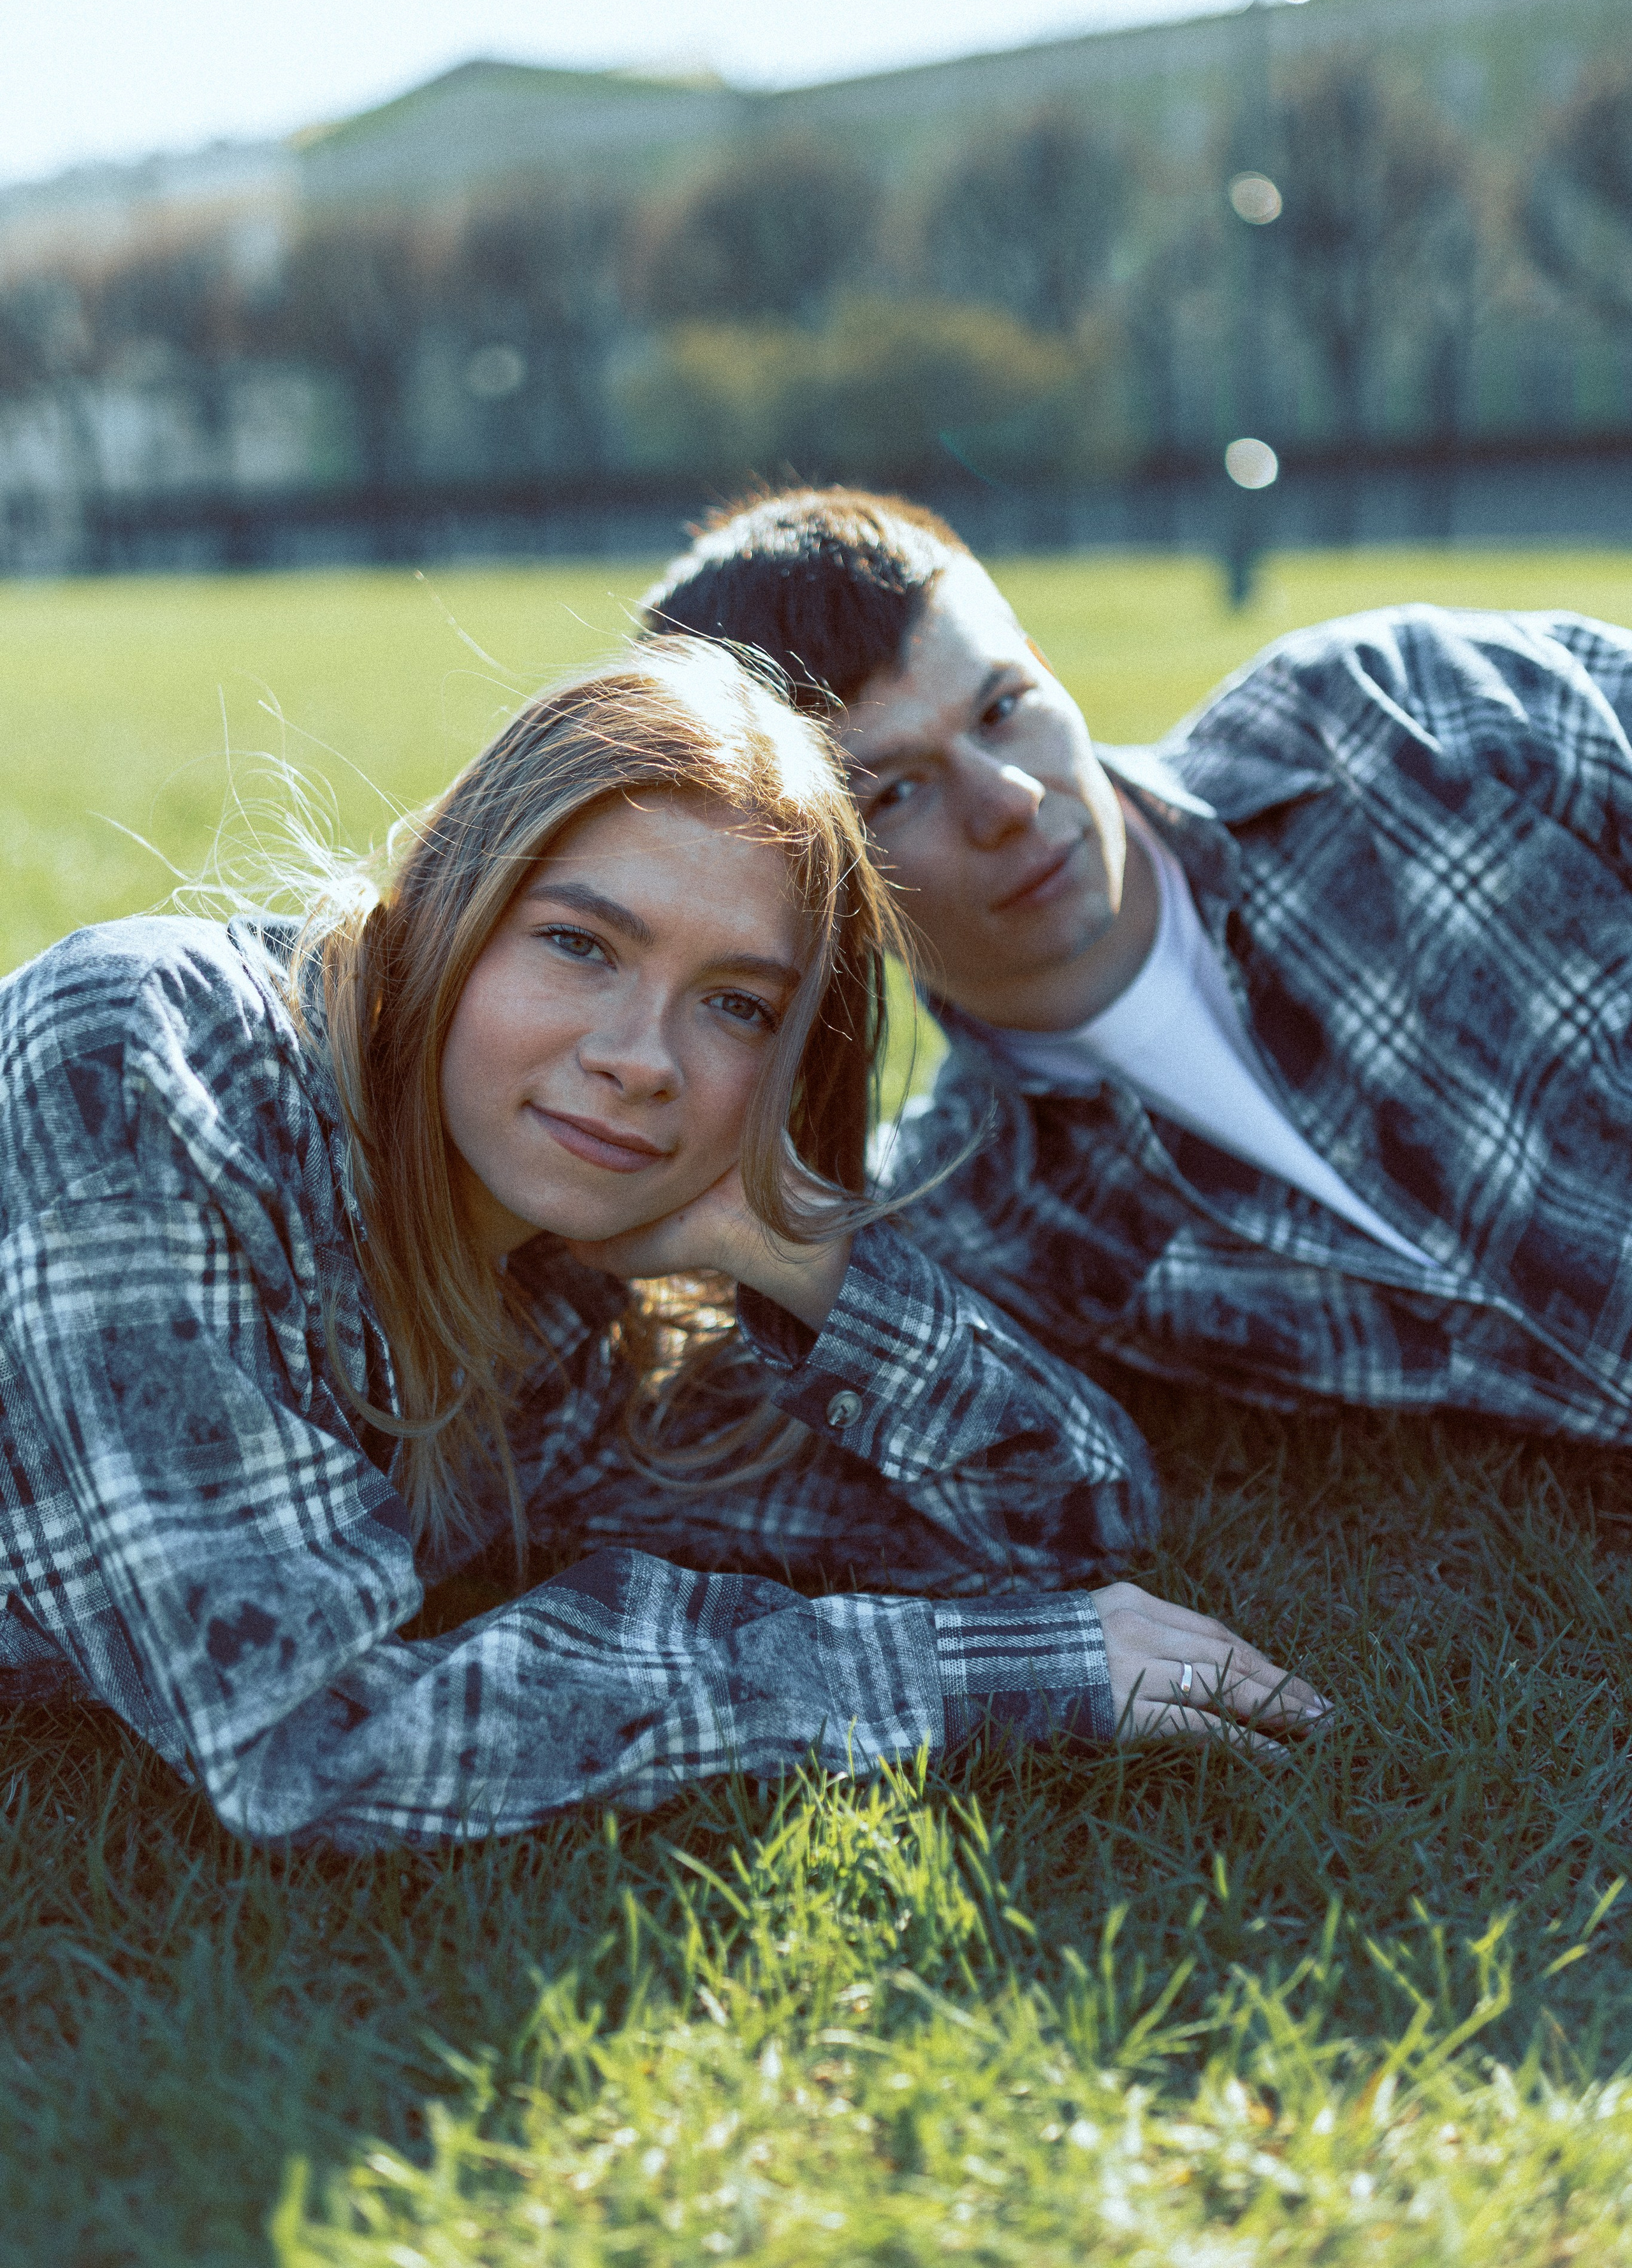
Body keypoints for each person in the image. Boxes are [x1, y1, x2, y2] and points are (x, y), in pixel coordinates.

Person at [0, 640, 1321, 1852]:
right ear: (448, 910)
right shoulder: (143, 1063)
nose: (640, 1060)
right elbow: (308, 1736)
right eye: (579, 944)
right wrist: (976, 1676)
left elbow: (1070, 1518)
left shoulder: (570, 1323)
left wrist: (796, 1250)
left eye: (735, 1007)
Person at [641, 488, 1632, 1469]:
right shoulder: (981, 1217)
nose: (1012, 800)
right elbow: (1047, 1482)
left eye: (1003, 708)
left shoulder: (1396, 712)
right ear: (813, 894)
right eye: (894, 791)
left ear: (1043, 665)